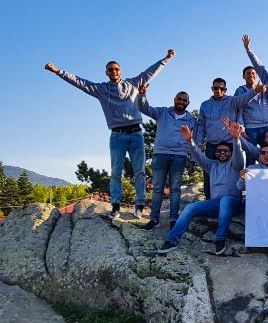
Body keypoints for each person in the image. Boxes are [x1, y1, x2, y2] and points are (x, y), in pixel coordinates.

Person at [44, 49, 175, 219]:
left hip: (136, 134)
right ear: (106, 73)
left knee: (140, 171)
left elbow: (151, 71)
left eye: (116, 69)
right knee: (116, 172)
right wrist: (57, 71)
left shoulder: (133, 84)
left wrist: (167, 58)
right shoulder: (101, 89)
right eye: (110, 70)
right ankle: (116, 205)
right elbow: (79, 82)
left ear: (120, 71)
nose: (114, 71)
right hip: (117, 136)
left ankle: (140, 205)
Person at [159, 122, 247, 256]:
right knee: (190, 207)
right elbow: (198, 156)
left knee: (225, 200)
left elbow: (240, 157)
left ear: (230, 153)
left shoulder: (236, 165)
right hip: (215, 204)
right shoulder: (211, 166)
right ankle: (171, 240)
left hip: (233, 203)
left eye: (225, 151)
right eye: (219, 151)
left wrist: (236, 139)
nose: (222, 153)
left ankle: (220, 239)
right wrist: (190, 141)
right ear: (215, 153)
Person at [136, 85, 196, 231]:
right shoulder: (163, 112)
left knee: (175, 189)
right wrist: (142, 95)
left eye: (184, 100)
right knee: (157, 188)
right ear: (174, 99)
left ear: (188, 103)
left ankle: (173, 220)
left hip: (179, 156)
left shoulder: (191, 120)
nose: (181, 101)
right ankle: (154, 219)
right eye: (179, 99)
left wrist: (192, 161)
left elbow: (194, 141)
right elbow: (144, 108)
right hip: (160, 154)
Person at [194, 78, 266, 199]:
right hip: (212, 145)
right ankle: (209, 201)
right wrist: (199, 142)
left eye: (221, 88)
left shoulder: (233, 101)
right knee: (209, 174)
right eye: (215, 88)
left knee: (235, 173)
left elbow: (245, 97)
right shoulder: (205, 105)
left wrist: (256, 91)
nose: (218, 90)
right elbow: (201, 125)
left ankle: (234, 200)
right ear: (212, 89)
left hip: (230, 144)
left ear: (225, 90)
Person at [234, 66, 268, 159]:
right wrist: (241, 128)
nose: (251, 75)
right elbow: (238, 109)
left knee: (267, 155)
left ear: (256, 75)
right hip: (250, 128)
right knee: (251, 157)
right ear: (243, 76)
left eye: (253, 73)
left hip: (265, 127)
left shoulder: (263, 88)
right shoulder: (240, 90)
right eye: (248, 73)